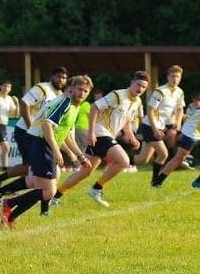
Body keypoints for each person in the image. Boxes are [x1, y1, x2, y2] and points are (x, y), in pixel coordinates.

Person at [0, 75, 94, 228]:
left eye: (86, 91)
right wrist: (57, 151)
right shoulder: (65, 103)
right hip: (42, 145)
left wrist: (81, 156)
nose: (82, 93)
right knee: (48, 191)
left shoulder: (75, 107)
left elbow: (67, 136)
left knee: (44, 189)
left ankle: (10, 216)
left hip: (46, 146)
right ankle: (8, 204)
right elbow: (46, 125)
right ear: (72, 88)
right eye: (80, 89)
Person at [51, 71, 148, 208]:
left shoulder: (137, 102)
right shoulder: (117, 95)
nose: (140, 89)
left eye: (144, 87)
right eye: (138, 85)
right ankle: (96, 188)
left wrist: (132, 138)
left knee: (85, 171)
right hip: (100, 133)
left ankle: (55, 197)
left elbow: (126, 121)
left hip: (105, 136)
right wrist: (91, 132)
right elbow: (94, 107)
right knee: (124, 161)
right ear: (132, 82)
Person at [0, 66, 68, 210]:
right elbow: (25, 102)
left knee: (34, 170)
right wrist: (30, 126)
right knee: (33, 170)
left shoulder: (60, 95)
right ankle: (2, 190)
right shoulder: (43, 88)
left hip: (39, 134)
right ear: (52, 77)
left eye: (64, 77)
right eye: (58, 76)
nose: (61, 80)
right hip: (26, 131)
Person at [134, 65, 185, 185]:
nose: (175, 79)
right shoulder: (160, 91)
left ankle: (118, 161)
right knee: (163, 154)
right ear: (168, 77)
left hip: (160, 127)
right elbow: (150, 111)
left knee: (143, 159)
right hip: (150, 126)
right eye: (173, 76)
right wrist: (155, 129)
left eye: (178, 76)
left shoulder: (179, 92)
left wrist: (178, 123)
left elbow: (180, 109)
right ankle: (155, 182)